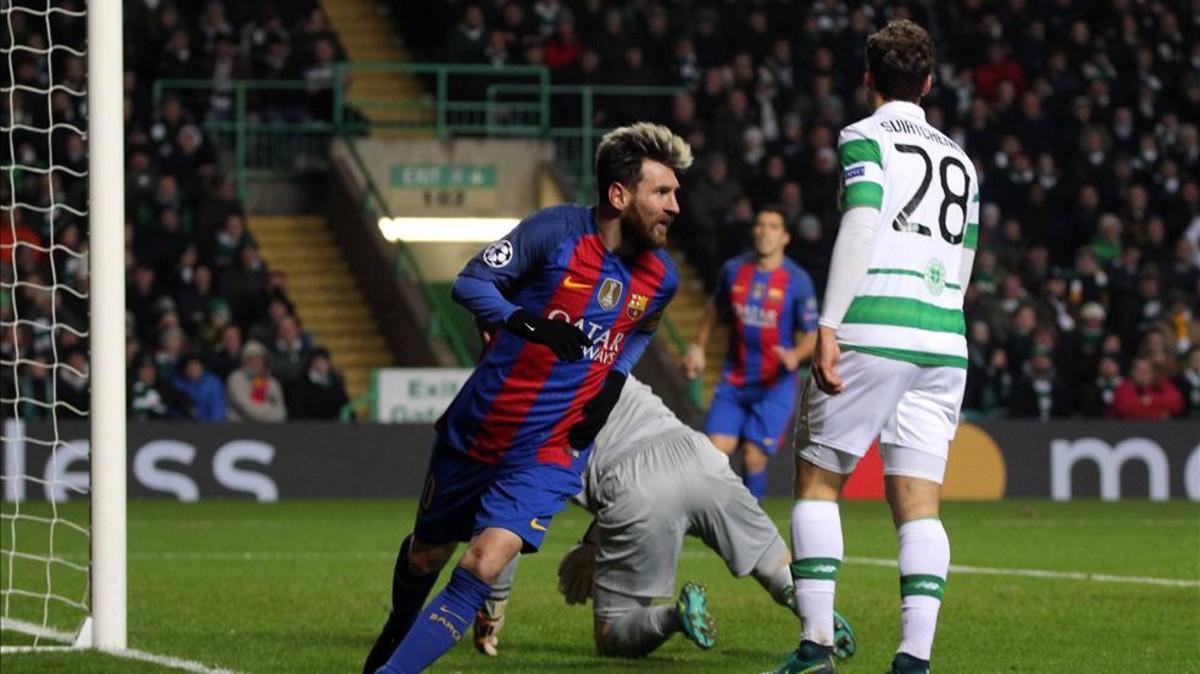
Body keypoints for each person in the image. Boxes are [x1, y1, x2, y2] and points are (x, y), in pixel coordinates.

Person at [363, 122, 690, 674]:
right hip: (480, 428)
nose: (675, 206)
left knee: (484, 562)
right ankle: (398, 631)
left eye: (676, 193)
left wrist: (612, 383)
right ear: (618, 195)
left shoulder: (662, 278)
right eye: (662, 192)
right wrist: (531, 325)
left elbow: (642, 330)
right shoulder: (556, 230)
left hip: (553, 448)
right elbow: (471, 283)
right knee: (426, 555)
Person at [769, 21, 980, 674]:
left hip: (873, 326)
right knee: (919, 504)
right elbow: (965, 258)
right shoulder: (962, 161)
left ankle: (815, 647)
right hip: (943, 338)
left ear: (868, 78)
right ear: (929, 83)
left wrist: (829, 324)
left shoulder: (864, 137)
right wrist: (938, 315)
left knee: (817, 482)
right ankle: (914, 660)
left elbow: (861, 225)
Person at [470, 376, 857, 662]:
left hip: (635, 487)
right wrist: (592, 542)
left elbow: (507, 524)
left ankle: (675, 616)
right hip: (698, 455)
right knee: (774, 565)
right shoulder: (603, 356)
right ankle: (814, 620)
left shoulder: (520, 406)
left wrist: (493, 606)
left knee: (611, 636)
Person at [682, 207, 818, 501]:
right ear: (754, 231)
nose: (765, 231)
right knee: (714, 455)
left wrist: (795, 356)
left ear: (785, 237)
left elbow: (812, 333)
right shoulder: (733, 270)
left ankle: (750, 519)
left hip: (775, 385)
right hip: (735, 380)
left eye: (773, 226)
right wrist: (698, 347)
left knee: (754, 457)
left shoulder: (797, 280)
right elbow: (714, 310)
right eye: (761, 225)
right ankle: (717, 516)